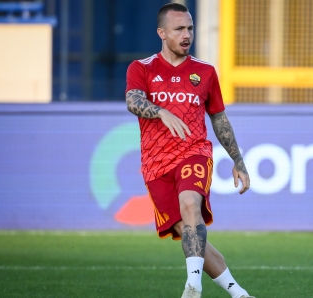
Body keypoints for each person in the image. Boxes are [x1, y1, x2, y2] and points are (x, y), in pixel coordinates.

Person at [124, 3, 254, 298]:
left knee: (190, 205)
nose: (187, 34)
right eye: (179, 29)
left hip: (194, 152)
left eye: (190, 28)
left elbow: (219, 117)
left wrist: (238, 159)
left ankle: (193, 287)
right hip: (156, 164)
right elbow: (133, 101)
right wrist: (160, 112)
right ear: (162, 33)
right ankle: (239, 293)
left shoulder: (205, 72)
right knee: (189, 232)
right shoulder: (141, 68)